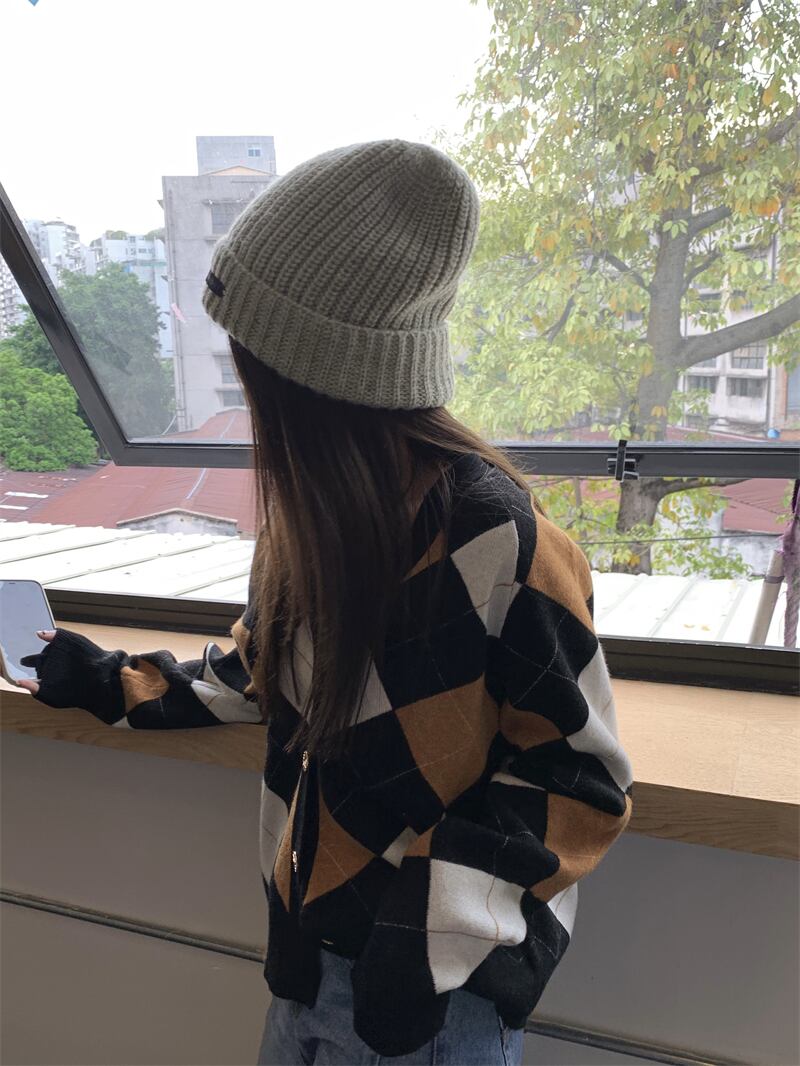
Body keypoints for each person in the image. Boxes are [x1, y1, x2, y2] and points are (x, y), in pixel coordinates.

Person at [18, 139, 635, 1066]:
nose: (247, 394)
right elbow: (260, 671)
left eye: (258, 370)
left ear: (323, 381)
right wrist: (110, 682)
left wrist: (420, 943)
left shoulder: (502, 540)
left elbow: (580, 779)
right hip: (306, 971)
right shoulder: (314, 525)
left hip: (433, 1012)